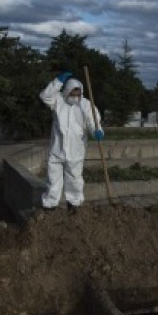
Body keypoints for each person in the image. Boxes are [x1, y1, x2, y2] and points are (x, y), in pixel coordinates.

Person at [40, 70, 104, 213]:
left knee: (74, 179)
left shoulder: (87, 105)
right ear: (67, 91)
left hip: (76, 150)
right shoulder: (58, 100)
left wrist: (97, 131)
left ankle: (74, 204)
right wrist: (57, 82)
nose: (75, 97)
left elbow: (93, 122)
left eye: (78, 95)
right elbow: (45, 96)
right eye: (72, 94)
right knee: (53, 179)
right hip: (57, 150)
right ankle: (50, 205)